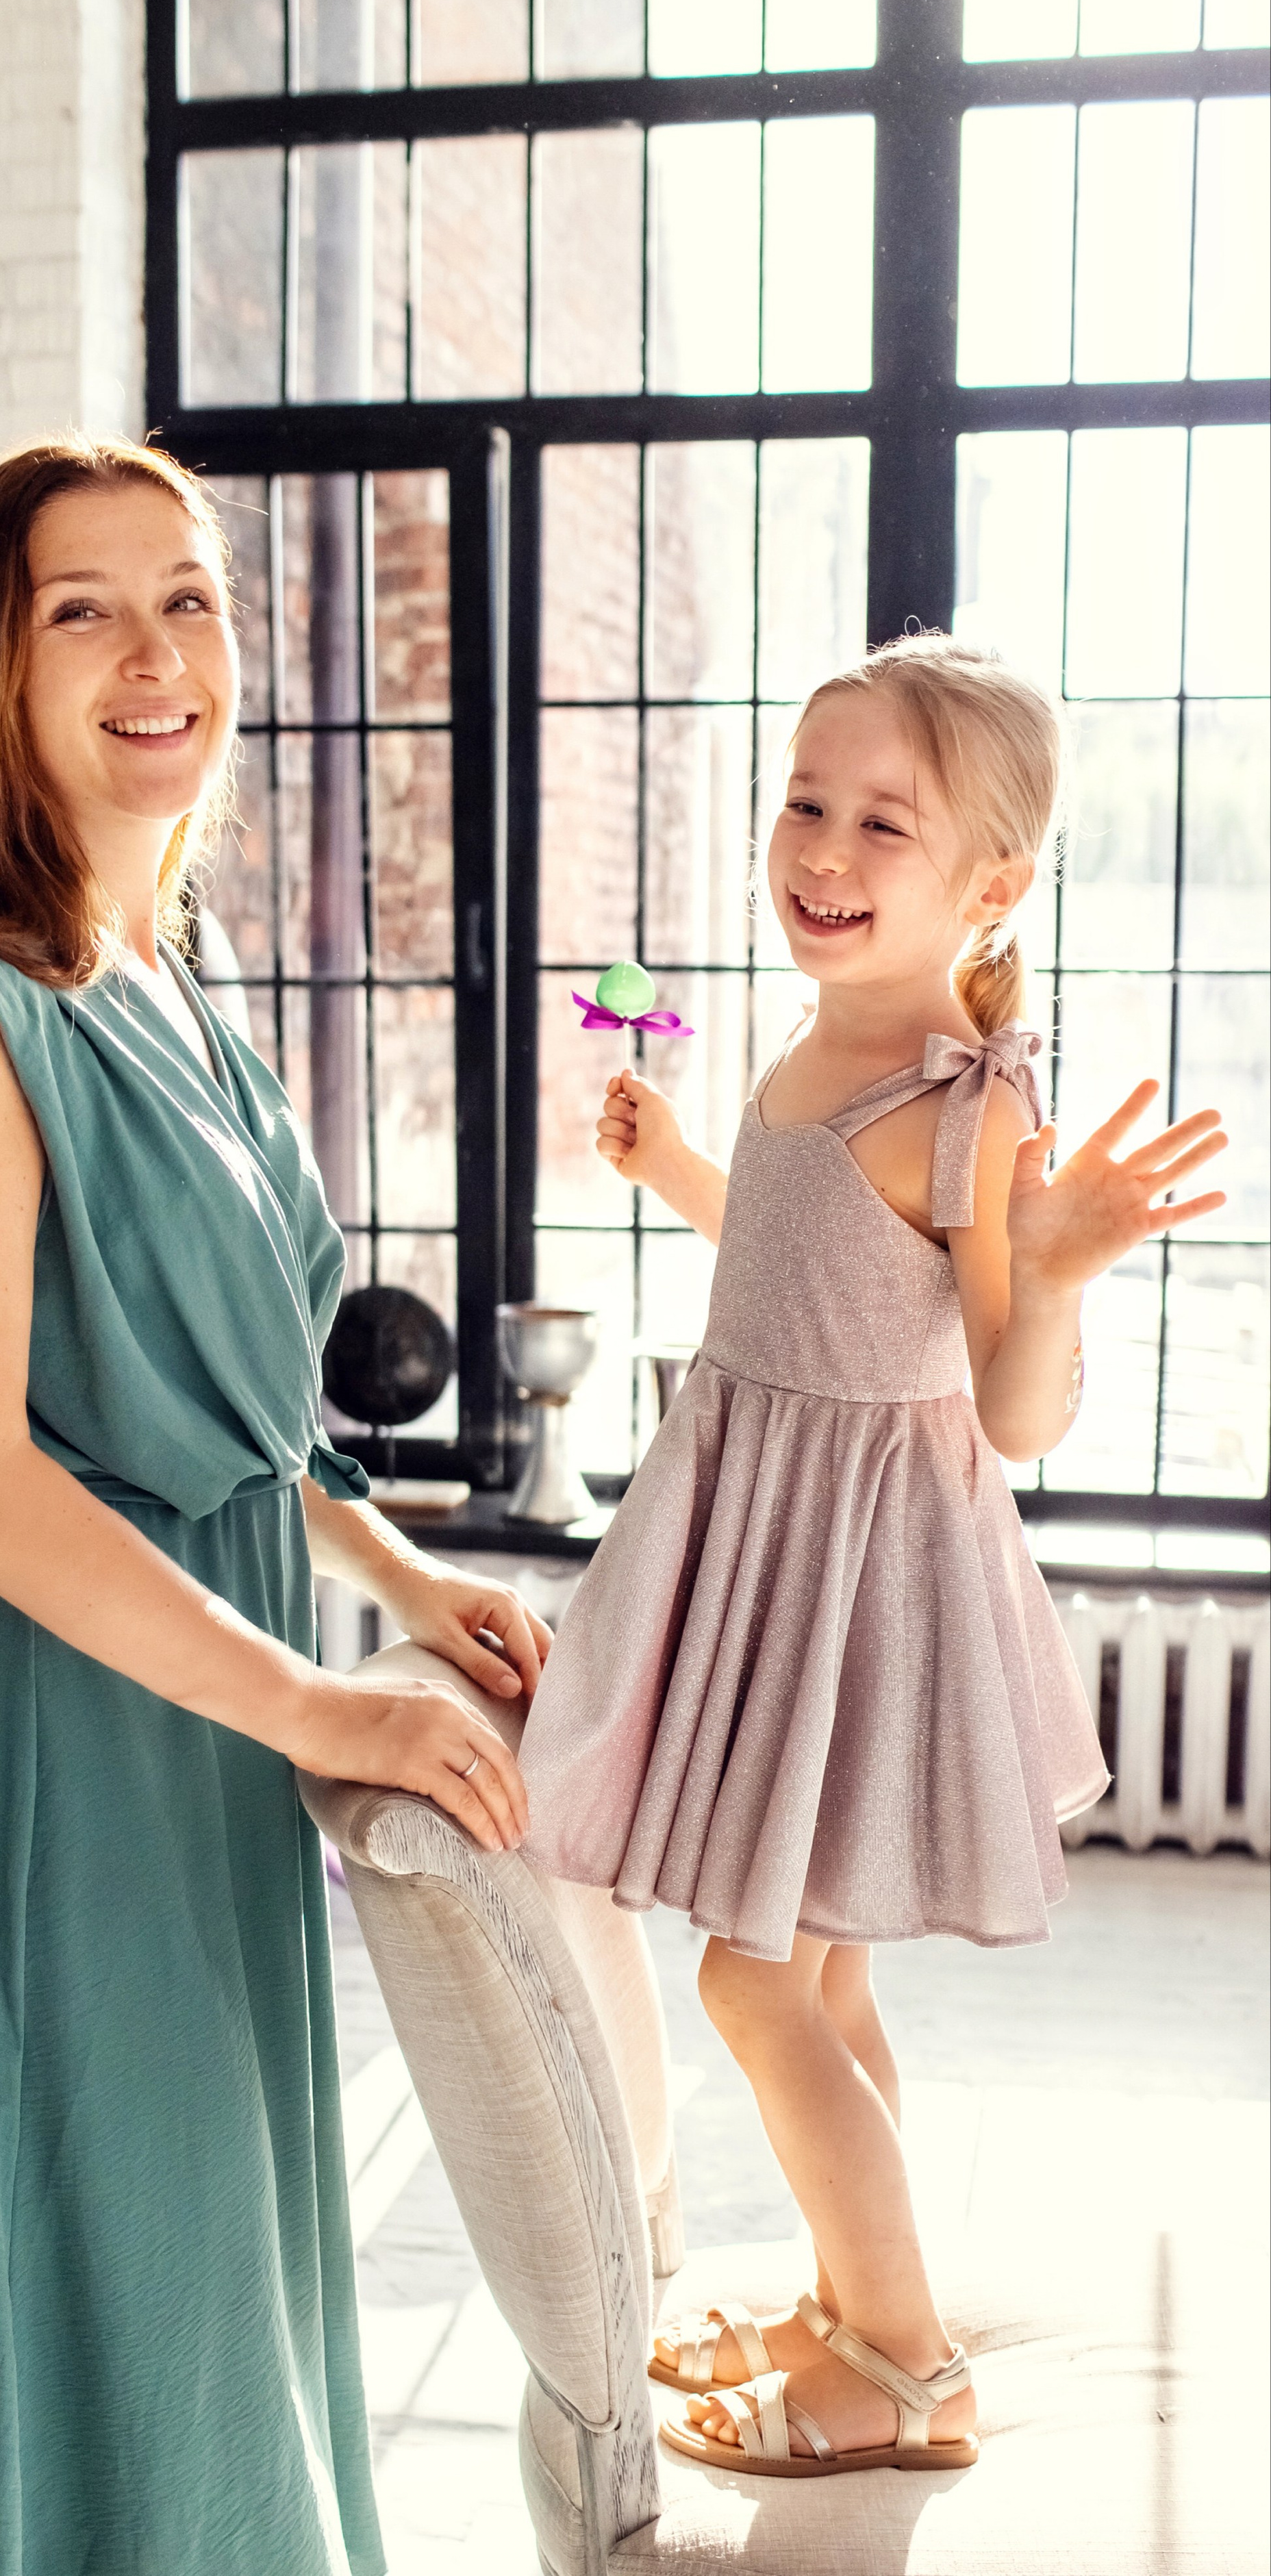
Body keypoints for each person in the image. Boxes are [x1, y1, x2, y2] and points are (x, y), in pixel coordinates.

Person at [0, 432, 549, 2573]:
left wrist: (398, 1575)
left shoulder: (172, 988)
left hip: (194, 1725)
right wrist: (320, 1713)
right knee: (97, 2302)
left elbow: (232, 1411)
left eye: (187, 596)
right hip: (38, 1758)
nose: (154, 651)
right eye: (81, 609)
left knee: (212, 2303)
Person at [519, 634, 1228, 2480]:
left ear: (990, 885)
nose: (822, 846)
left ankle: (906, 2370)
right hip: (770, 1536)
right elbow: (797, 1264)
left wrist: (1057, 1269)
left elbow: (1007, 1409)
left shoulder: (968, 1103)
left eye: (880, 823)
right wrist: (679, 1159)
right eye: (804, 802)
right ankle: (857, 2299)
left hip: (863, 1583)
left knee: (751, 1984)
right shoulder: (816, 1043)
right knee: (820, 1985)